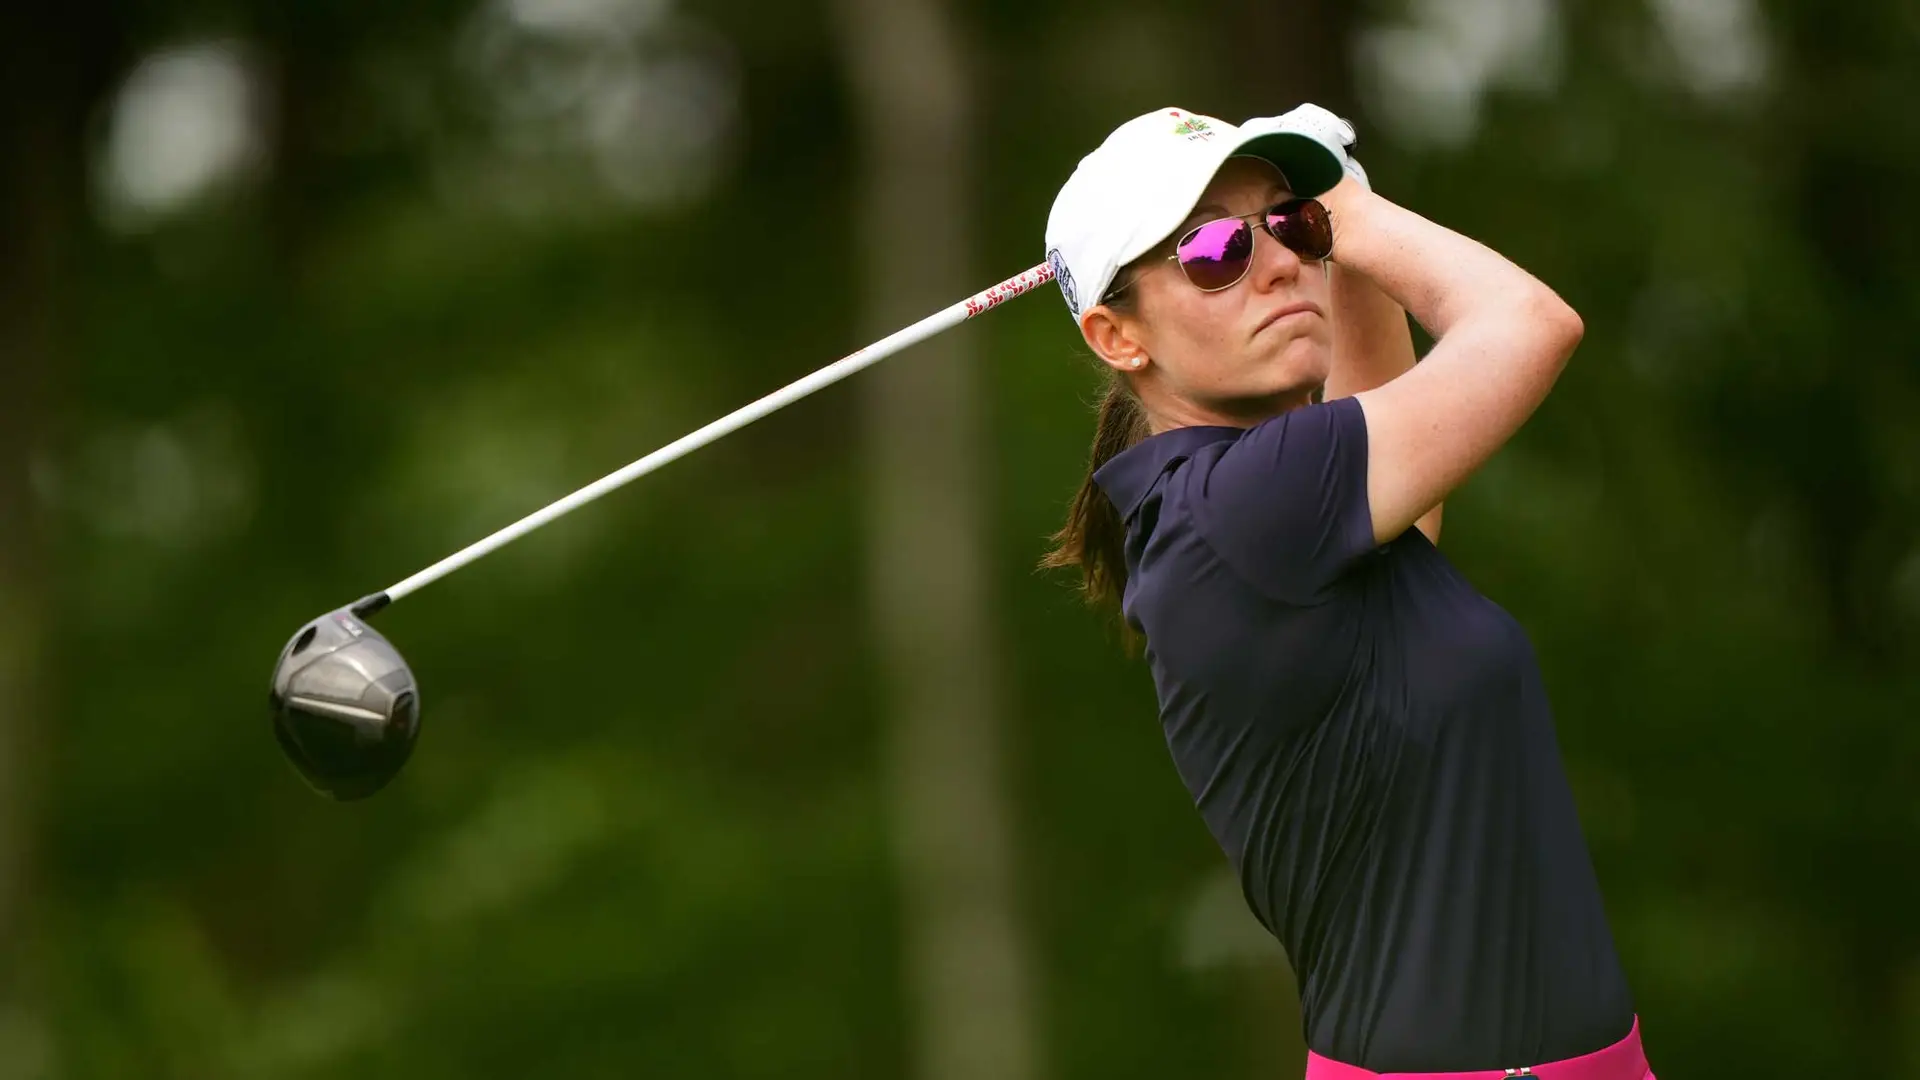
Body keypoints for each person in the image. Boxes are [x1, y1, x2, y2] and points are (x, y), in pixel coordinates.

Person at [1040, 105, 1656, 1079]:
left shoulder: (1264, 515)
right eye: (1211, 248)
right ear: (1118, 336)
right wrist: (1347, 209)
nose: (1281, 263)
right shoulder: (1245, 504)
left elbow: (1390, 437)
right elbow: (1532, 325)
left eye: (1288, 228)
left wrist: (1336, 216)